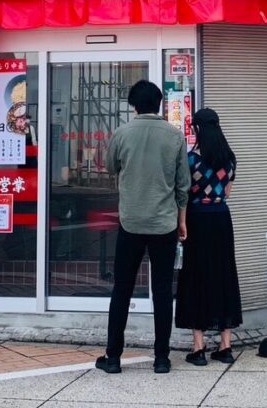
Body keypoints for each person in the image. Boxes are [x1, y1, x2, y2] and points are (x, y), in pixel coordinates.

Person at [97, 80, 190, 375]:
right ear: (159, 104)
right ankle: (161, 358)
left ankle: (113, 358)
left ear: (134, 104)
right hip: (164, 223)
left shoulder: (122, 133)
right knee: (162, 291)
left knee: (121, 289)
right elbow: (183, 185)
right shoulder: (174, 136)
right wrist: (182, 221)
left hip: (131, 222)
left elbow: (110, 167)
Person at [176, 108, 242, 366]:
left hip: (197, 218)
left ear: (198, 129)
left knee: (196, 276)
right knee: (224, 274)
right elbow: (228, 192)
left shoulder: (191, 159)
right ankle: (225, 346)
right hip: (221, 218)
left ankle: (199, 347)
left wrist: (181, 222)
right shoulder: (229, 158)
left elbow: (183, 192)